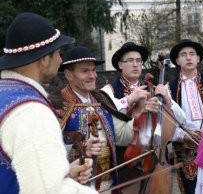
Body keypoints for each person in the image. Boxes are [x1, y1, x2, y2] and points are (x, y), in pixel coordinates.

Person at [0, 12, 98, 194]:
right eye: (58, 53)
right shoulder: (32, 112)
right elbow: (48, 191)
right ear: (44, 60)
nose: (61, 60)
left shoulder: (5, 93)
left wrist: (64, 173)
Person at [49, 46, 159, 193]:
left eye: (93, 70)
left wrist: (143, 114)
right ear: (69, 75)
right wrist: (79, 148)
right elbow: (48, 150)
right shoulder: (56, 104)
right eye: (85, 71)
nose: (92, 75)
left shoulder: (101, 100)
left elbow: (121, 135)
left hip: (110, 186)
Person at [101, 42, 186, 192]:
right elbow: (108, 116)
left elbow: (181, 119)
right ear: (120, 65)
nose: (135, 65)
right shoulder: (109, 90)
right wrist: (129, 100)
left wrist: (167, 100)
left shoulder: (154, 89)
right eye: (130, 60)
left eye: (138, 60)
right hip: (127, 164)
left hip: (158, 159)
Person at [168, 39, 203, 194]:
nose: (188, 58)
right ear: (177, 61)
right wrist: (184, 134)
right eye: (183, 55)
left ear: (198, 58)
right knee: (190, 188)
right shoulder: (169, 89)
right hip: (186, 148)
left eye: (192, 54)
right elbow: (167, 123)